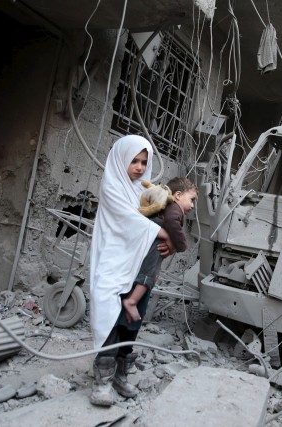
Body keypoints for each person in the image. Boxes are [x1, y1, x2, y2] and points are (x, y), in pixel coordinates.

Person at [88, 135, 175, 407]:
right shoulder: (112, 185)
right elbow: (129, 220)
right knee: (110, 316)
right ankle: (102, 381)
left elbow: (157, 214)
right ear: (121, 159)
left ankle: (120, 375)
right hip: (113, 261)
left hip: (138, 264)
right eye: (134, 161)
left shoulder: (141, 190)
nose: (139, 167)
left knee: (132, 319)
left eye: (143, 162)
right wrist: (164, 234)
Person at [122, 177, 197, 323]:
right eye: (192, 199)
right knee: (148, 275)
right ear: (178, 195)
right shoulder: (175, 210)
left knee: (152, 274)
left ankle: (132, 306)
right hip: (154, 248)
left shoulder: (169, 208)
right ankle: (131, 302)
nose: (192, 205)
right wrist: (181, 245)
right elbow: (171, 224)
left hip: (156, 249)